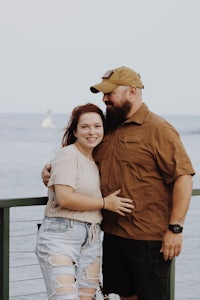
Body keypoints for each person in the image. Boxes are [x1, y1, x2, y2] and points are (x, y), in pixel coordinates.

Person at [42, 67, 195, 300]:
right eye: (102, 94)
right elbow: (81, 160)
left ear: (132, 92)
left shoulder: (158, 129)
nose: (104, 99)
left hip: (148, 239)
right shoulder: (107, 128)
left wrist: (175, 228)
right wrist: (50, 172)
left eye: (109, 93)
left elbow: (183, 177)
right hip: (111, 235)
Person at [36, 102, 134, 300]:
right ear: (75, 130)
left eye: (97, 126)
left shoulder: (96, 159)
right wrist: (106, 203)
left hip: (91, 238)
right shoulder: (67, 154)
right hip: (61, 237)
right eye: (85, 127)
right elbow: (64, 198)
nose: (92, 132)